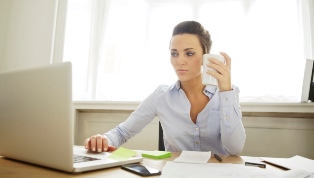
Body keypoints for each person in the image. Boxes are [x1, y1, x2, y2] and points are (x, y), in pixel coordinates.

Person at [84, 20, 246, 155]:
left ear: (206, 57)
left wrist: (226, 91)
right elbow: (123, 132)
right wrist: (103, 139)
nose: (179, 61)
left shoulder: (227, 93)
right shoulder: (161, 96)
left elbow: (235, 149)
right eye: (174, 53)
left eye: (189, 53)